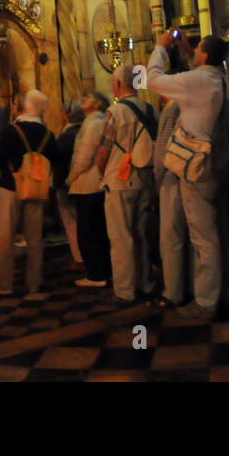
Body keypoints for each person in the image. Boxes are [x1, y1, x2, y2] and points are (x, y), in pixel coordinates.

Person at [147, 31, 229, 319]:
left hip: (195, 168)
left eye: (197, 49)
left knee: (204, 238)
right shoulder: (218, 78)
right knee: (201, 235)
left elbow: (153, 79)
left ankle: (206, 302)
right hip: (207, 164)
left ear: (205, 56)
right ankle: (202, 295)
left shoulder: (199, 81)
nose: (193, 52)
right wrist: (184, 48)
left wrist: (160, 48)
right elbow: (195, 73)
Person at [95, 65, 159, 303]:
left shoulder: (116, 112)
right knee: (141, 234)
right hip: (146, 177)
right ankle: (145, 282)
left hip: (120, 180)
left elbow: (103, 150)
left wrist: (101, 172)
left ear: (119, 85)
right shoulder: (151, 110)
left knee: (121, 237)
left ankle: (125, 289)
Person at [0, 90, 57, 296]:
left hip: (11, 188)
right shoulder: (48, 134)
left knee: (5, 238)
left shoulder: (12, 131)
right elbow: (56, 158)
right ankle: (34, 283)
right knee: (35, 240)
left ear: (24, 107)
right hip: (36, 190)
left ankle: (4, 284)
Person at [66, 91, 111, 287]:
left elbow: (85, 155)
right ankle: (103, 271)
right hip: (92, 185)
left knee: (87, 231)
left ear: (99, 103)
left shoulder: (93, 124)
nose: (83, 98)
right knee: (97, 229)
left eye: (89, 97)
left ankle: (96, 274)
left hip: (88, 184)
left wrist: (71, 177)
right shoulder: (94, 121)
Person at [52, 100, 86, 271]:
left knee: (72, 222)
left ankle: (79, 258)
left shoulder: (66, 136)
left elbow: (57, 158)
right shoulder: (83, 131)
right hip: (82, 184)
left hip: (66, 182)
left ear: (65, 115)